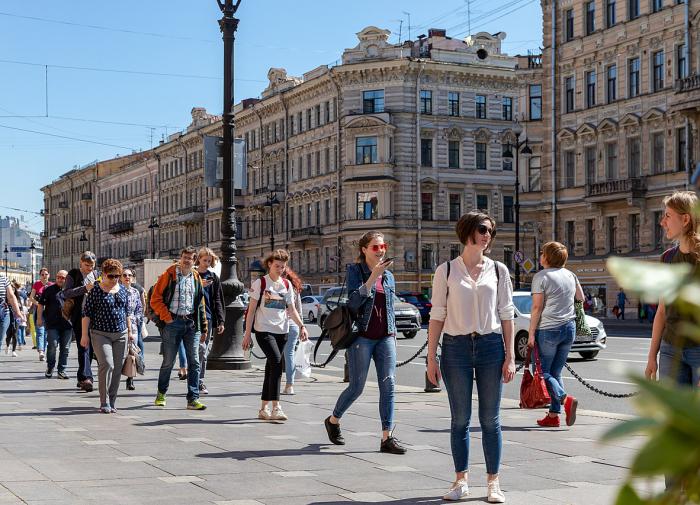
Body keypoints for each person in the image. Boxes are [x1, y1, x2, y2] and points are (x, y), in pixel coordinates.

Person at [427, 211, 515, 503]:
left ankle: (494, 483)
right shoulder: (446, 271)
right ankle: (460, 480)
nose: (487, 234)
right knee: (460, 419)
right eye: (482, 229)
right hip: (456, 349)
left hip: (491, 347)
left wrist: (510, 356)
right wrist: (431, 357)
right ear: (467, 231)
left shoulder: (499, 270)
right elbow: (437, 315)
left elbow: (506, 315)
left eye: (490, 230)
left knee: (490, 419)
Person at [323, 232, 407, 455]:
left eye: (383, 246)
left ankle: (387, 437)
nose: (381, 250)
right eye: (375, 247)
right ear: (364, 250)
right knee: (357, 386)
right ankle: (333, 420)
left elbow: (389, 307)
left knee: (388, 385)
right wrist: (372, 278)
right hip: (362, 336)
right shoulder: (355, 271)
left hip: (385, 336)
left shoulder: (389, 276)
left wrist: (394, 333)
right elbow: (353, 302)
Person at [243, 249, 308, 422]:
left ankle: (263, 408)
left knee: (271, 368)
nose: (280, 269)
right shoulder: (261, 284)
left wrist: (302, 326)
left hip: (282, 331)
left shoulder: (286, 285)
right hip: (264, 330)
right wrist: (247, 334)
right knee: (277, 363)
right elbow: (250, 311)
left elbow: (292, 309)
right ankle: (276, 407)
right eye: (277, 265)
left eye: (283, 266)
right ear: (270, 264)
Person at [527, 241, 585, 428]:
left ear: (548, 257)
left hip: (549, 329)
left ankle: (564, 399)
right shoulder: (570, 274)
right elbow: (581, 298)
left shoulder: (541, 276)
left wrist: (531, 333)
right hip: (569, 328)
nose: (540, 255)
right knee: (555, 372)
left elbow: (536, 307)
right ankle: (553, 415)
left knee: (543, 372)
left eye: (542, 253)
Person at [646, 191, 700, 387]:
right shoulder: (667, 258)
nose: (662, 222)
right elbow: (662, 311)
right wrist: (652, 356)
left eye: (668, 216)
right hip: (670, 350)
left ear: (685, 219)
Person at [150, 247, 208, 410]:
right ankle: (161, 394)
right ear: (180, 258)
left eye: (190, 258)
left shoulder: (196, 276)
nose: (187, 260)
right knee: (169, 361)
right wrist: (166, 317)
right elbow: (155, 298)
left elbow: (200, 303)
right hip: (173, 322)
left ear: (194, 259)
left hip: (191, 323)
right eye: (184, 257)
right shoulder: (169, 274)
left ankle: (193, 398)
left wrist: (203, 326)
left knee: (195, 362)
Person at [82, 259, 134, 413]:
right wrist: (84, 335)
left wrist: (130, 332)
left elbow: (127, 314)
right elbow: (86, 315)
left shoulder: (123, 290)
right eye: (111, 276)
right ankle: (103, 401)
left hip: (121, 334)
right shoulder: (96, 291)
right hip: (100, 333)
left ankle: (112, 400)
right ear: (103, 274)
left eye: (117, 276)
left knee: (117, 368)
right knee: (107, 364)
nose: (114, 279)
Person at [63, 251, 98, 392]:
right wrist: (85, 288)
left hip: (95, 315)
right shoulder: (73, 274)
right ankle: (86, 378)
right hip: (79, 315)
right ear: (81, 264)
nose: (90, 268)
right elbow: (66, 293)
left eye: (92, 265)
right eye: (87, 265)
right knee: (83, 345)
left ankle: (82, 377)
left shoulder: (96, 275)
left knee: (90, 347)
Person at [195, 247, 225, 395]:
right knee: (194, 351)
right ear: (198, 259)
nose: (207, 263)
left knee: (203, 351)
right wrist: (199, 284)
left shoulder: (213, 277)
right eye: (204, 260)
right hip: (192, 318)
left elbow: (218, 299)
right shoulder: (192, 275)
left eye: (209, 261)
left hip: (207, 318)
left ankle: (199, 381)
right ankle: (193, 379)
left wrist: (221, 320)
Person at [37, 270, 72, 379]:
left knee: (65, 348)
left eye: (63, 278)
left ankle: (62, 370)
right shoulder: (49, 290)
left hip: (67, 324)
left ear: (67, 279)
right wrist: (39, 318)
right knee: (52, 345)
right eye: (58, 277)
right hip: (52, 324)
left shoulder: (71, 291)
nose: (60, 279)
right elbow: (40, 304)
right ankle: (50, 366)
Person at [281, 266, 303, 395]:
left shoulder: (276, 288)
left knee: (276, 356)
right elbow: (298, 310)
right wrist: (302, 327)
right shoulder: (294, 290)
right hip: (293, 324)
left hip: (279, 325)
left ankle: (275, 383)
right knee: (289, 355)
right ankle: (290, 385)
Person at [120, 269, 143, 391]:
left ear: (133, 278)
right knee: (119, 353)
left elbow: (139, 308)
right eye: (124, 275)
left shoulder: (135, 292)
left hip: (132, 326)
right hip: (119, 326)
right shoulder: (117, 290)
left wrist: (136, 319)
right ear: (121, 278)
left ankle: (130, 379)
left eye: (129, 275)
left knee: (131, 353)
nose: (127, 277)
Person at [29, 268, 52, 361]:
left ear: (49, 275)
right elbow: (31, 298)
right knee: (40, 331)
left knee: (46, 333)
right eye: (42, 274)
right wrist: (39, 304)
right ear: (40, 275)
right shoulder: (37, 284)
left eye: (46, 274)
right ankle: (41, 351)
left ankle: (43, 350)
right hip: (39, 310)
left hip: (49, 312)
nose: (44, 276)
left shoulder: (51, 285)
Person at [0, 274, 25, 356]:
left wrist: (18, 312)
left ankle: (14, 349)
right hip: (8, 314)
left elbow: (11, 296)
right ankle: (8, 345)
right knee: (9, 334)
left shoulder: (3, 279)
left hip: (4, 313)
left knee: (11, 333)